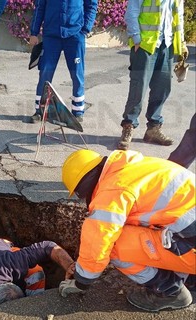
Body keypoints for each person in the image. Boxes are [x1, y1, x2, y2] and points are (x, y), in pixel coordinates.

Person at [59, 149, 195, 312]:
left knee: (115, 246)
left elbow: (98, 241)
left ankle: (170, 291)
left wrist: (82, 280)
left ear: (82, 188)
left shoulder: (111, 191)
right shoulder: (131, 168)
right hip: (189, 239)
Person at [117, 0, 189, 150]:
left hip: (166, 45)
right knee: (138, 88)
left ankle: (153, 129)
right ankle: (129, 125)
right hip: (145, 45)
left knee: (162, 88)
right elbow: (131, 13)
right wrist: (136, 38)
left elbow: (178, 18)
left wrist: (181, 43)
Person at [29, 0, 98, 123]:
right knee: (45, 73)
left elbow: (92, 5)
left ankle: (77, 111)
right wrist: (34, 32)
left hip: (75, 34)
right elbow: (40, 7)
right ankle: (41, 110)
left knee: (77, 74)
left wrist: (85, 30)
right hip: (51, 35)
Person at [0, 238, 75, 307]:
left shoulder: (11, 263)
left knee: (36, 272)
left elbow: (48, 246)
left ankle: (35, 299)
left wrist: (70, 265)